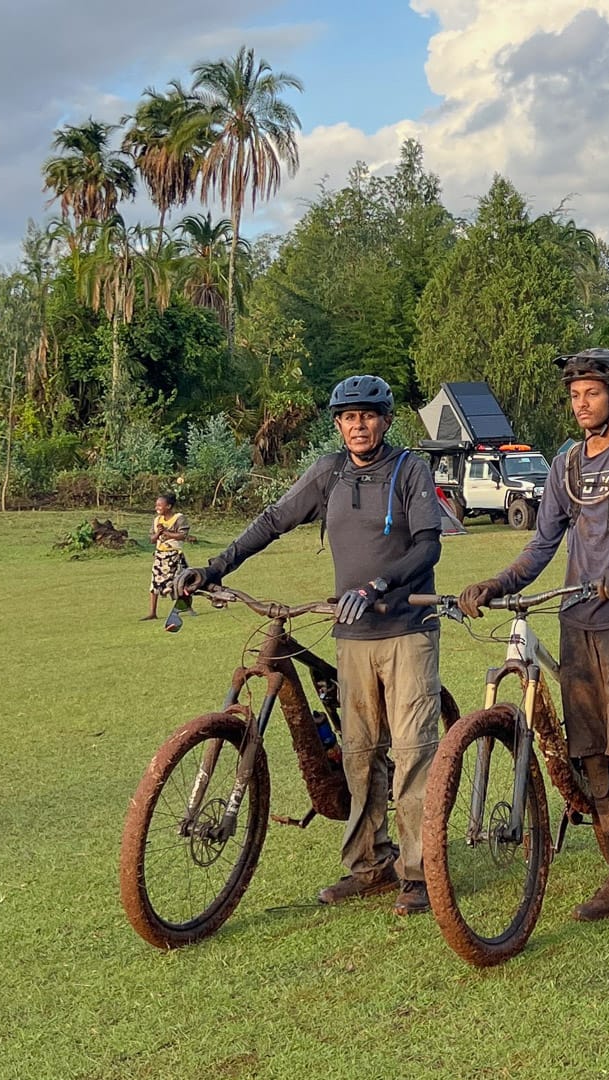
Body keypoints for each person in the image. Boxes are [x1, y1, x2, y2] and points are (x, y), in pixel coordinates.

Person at [179, 375, 445, 917]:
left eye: (368, 416)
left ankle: (418, 875)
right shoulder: (329, 473)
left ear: (386, 420)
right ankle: (370, 865)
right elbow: (273, 520)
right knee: (357, 755)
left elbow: (428, 546)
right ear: (338, 424)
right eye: (348, 417)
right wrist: (214, 568)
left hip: (406, 631)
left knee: (413, 754)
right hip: (350, 636)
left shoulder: (409, 469)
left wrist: (379, 586)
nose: (358, 425)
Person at [456, 348, 609, 942]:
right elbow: (542, 546)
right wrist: (498, 582)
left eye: (592, 393)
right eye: (574, 395)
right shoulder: (561, 467)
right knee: (590, 755)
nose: (581, 403)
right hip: (577, 621)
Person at [146, 493, 192, 626]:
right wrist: (159, 533)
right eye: (157, 505)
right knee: (154, 585)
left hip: (174, 556)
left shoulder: (179, 518)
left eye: (160, 505)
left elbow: (182, 535)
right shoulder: (156, 520)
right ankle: (152, 612)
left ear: (169, 506)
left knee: (179, 584)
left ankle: (187, 607)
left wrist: (166, 532)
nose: (157, 507)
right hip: (160, 556)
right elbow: (152, 539)